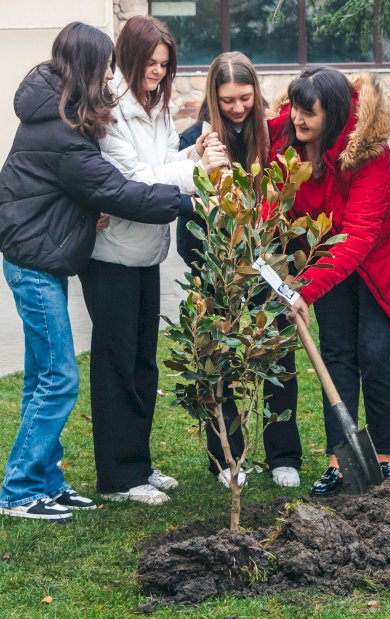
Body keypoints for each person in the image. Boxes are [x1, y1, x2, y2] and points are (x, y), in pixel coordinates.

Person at [0, 22, 194, 521]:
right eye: (106, 64)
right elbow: (117, 190)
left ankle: (47, 481)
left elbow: (90, 193)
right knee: (60, 376)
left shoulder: (62, 115)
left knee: (44, 374)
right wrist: (186, 197)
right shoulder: (63, 131)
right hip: (33, 260)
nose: (111, 75)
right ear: (88, 65)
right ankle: (20, 490)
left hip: (43, 256)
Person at [268, 66, 390, 496]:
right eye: (296, 110)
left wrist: (304, 290)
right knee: (337, 352)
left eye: (310, 114)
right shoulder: (283, 137)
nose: (298, 120)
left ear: (337, 115)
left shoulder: (368, 153)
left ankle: (384, 460)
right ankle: (339, 462)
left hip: (384, 254)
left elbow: (359, 237)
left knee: (377, 352)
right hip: (326, 253)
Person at [78, 15, 228, 505]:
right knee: (116, 364)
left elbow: (168, 158)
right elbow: (135, 178)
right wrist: (192, 169)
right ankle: (118, 479)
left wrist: (194, 150)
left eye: (165, 65)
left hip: (146, 251)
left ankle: (137, 464)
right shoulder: (112, 107)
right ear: (130, 55)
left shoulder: (155, 104)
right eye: (152, 63)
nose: (159, 72)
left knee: (144, 363)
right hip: (111, 253)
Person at [176, 52, 302, 488]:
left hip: (267, 261)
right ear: (214, 95)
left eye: (245, 97)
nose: (237, 107)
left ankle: (284, 454)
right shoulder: (194, 140)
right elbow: (184, 212)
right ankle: (227, 459)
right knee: (218, 357)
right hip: (215, 261)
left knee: (277, 350)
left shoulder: (271, 139)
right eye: (227, 99)